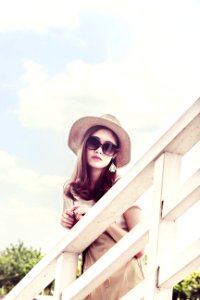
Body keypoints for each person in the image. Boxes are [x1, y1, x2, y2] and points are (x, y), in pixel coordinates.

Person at [60, 114, 145, 300]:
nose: (99, 150)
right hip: (92, 279)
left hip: (126, 280)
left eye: (108, 147)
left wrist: (97, 218)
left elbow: (139, 248)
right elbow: (77, 244)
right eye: (94, 142)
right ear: (84, 144)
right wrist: (69, 223)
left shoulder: (123, 186)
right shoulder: (71, 191)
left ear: (114, 154)